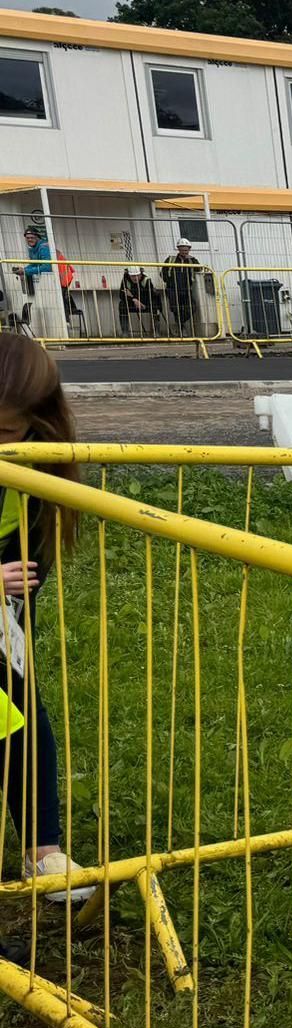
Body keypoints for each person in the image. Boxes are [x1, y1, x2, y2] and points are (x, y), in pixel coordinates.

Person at [0, 333, 92, 904]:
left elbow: (31, 565)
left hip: (8, 596)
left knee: (18, 706)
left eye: (8, 434)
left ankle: (41, 848)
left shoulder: (40, 475)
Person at [16, 227, 78, 320]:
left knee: (59, 301)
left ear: (37, 237)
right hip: (55, 276)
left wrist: (26, 271)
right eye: (27, 238)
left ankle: (66, 323)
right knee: (57, 300)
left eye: (32, 237)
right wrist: (23, 270)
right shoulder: (33, 248)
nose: (29, 239)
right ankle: (63, 320)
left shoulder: (43, 247)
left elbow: (47, 267)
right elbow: (34, 264)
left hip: (62, 274)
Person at [162, 240, 206, 336]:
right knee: (175, 309)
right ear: (178, 249)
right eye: (182, 250)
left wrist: (193, 259)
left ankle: (180, 324)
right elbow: (163, 272)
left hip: (186, 289)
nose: (184, 252)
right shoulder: (171, 259)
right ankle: (181, 328)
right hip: (172, 289)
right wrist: (169, 282)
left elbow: (199, 269)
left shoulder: (191, 260)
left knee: (192, 307)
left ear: (189, 250)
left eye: (186, 250)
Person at [117, 269, 164, 336]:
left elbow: (151, 294)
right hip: (132, 303)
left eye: (137, 275)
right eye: (133, 276)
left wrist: (141, 301)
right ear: (129, 275)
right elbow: (121, 295)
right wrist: (134, 299)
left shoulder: (147, 280)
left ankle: (156, 331)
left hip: (146, 303)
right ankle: (125, 332)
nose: (135, 278)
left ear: (141, 274)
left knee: (155, 305)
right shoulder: (125, 280)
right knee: (122, 305)